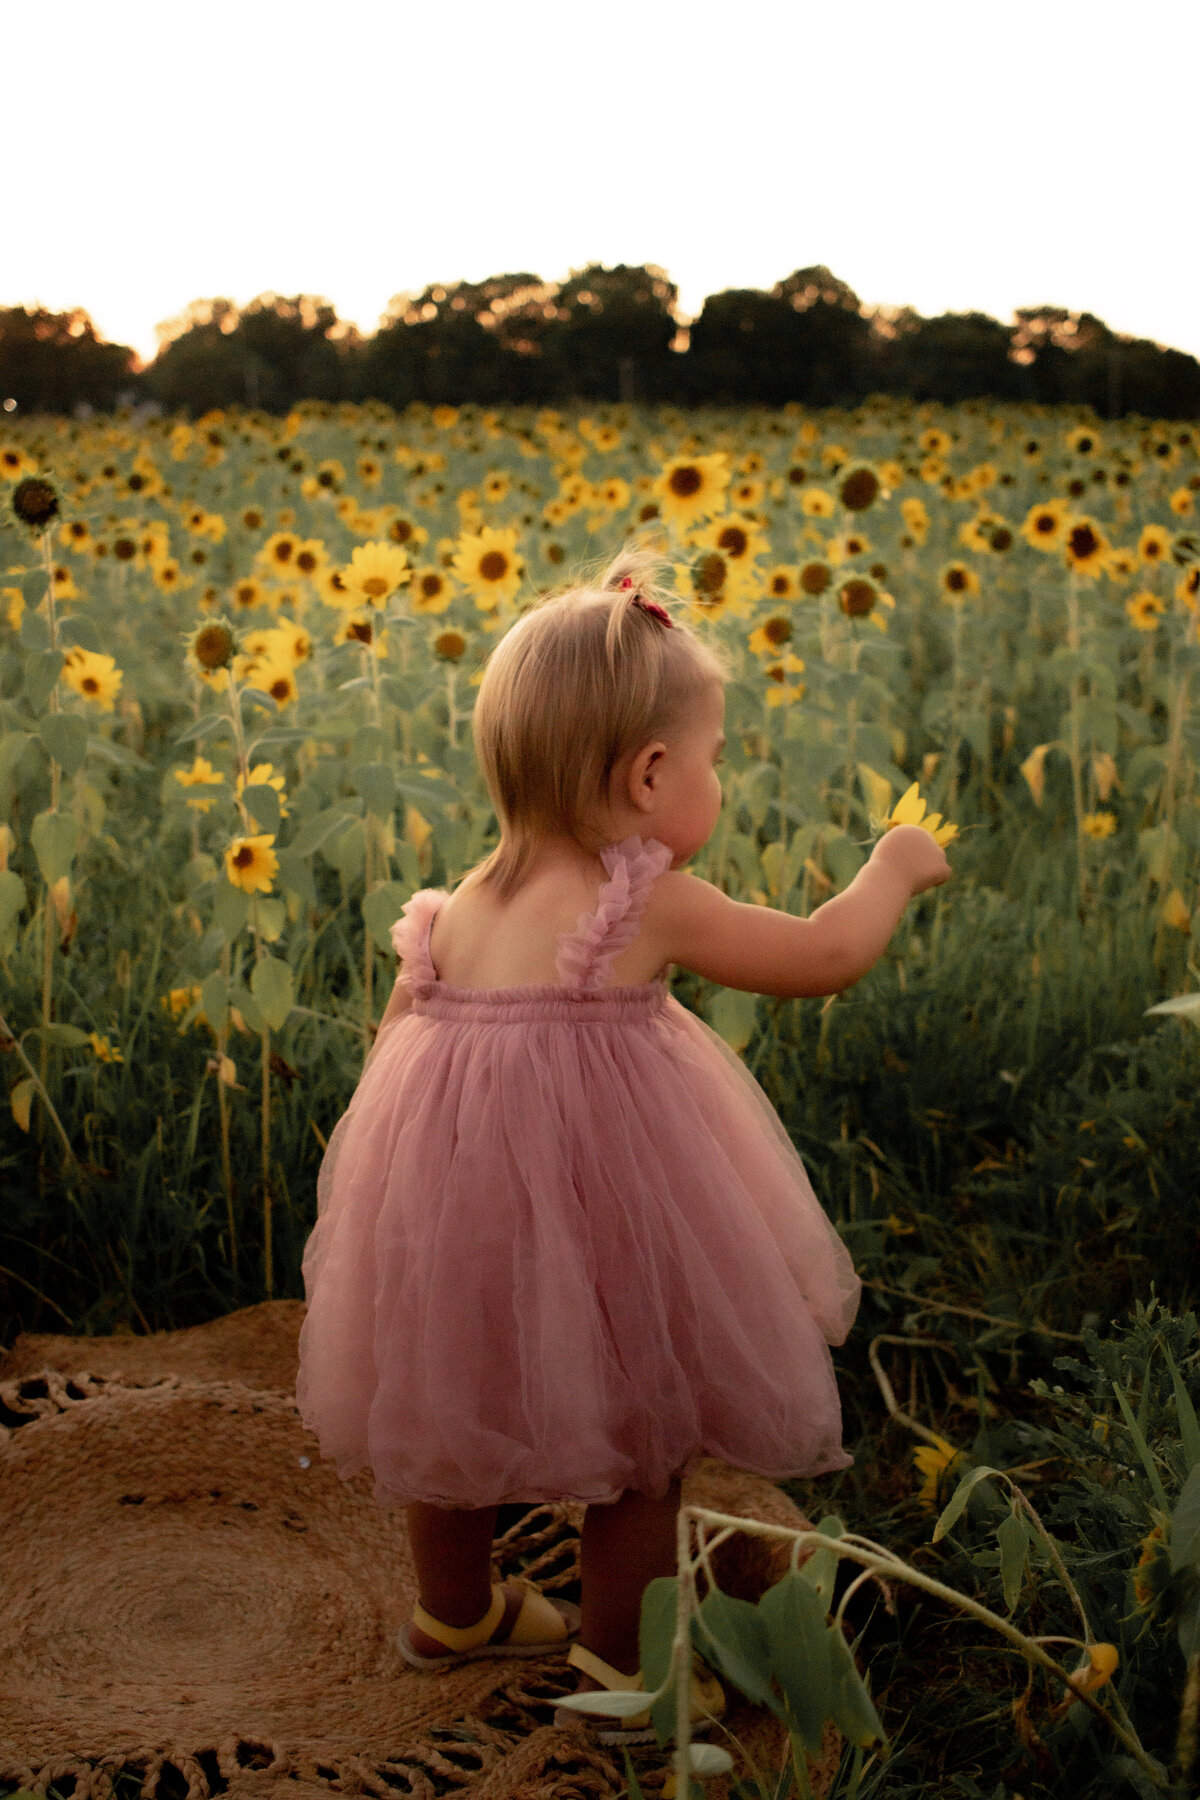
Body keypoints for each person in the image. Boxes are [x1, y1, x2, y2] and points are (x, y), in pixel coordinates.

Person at [294, 538, 951, 1747]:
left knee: (446, 1415)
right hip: (614, 1218)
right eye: (716, 760)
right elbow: (820, 956)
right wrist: (893, 870)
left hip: (449, 1220)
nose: (720, 781)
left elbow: (391, 1060)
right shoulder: (638, 899)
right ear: (651, 776)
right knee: (644, 1437)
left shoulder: (448, 912)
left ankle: (455, 1613)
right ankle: (625, 1665)